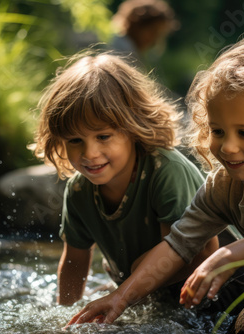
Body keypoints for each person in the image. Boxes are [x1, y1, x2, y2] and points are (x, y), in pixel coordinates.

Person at [66, 29, 244, 332]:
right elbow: (179, 244)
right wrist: (120, 297)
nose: (228, 147)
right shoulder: (223, 185)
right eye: (218, 131)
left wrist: (224, 257)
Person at [31, 52, 219, 306]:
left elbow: (193, 255)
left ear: (132, 126)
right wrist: (65, 318)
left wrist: (126, 291)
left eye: (103, 137)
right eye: (75, 141)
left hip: (216, 287)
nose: (89, 154)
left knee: (138, 266)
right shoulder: (78, 190)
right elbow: (75, 261)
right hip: (146, 292)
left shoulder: (165, 171)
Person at [110, 0, 179, 61]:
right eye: (153, 31)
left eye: (159, 34)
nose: (154, 39)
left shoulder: (132, 50)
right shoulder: (122, 51)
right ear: (137, 24)